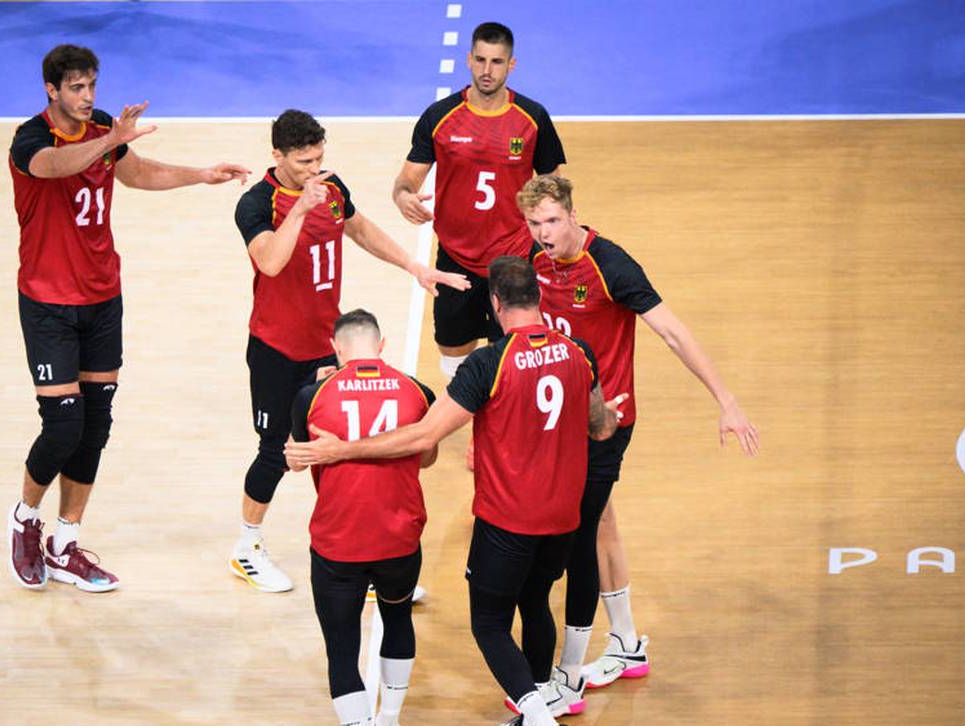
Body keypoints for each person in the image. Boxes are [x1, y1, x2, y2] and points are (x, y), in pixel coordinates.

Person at [288, 257, 625, 726]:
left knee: (488, 622)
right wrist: (610, 413)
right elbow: (600, 425)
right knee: (535, 603)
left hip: (508, 520)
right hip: (562, 519)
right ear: (539, 296)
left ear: (495, 302)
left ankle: (536, 714)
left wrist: (342, 449)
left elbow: (424, 437)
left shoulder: (488, 363)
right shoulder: (578, 351)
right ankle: (546, 696)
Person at [6, 44, 249, 592]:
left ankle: (65, 542)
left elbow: (135, 173)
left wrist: (201, 174)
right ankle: (25, 519)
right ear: (51, 90)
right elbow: (54, 168)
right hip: (47, 301)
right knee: (63, 425)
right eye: (76, 87)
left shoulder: (98, 128)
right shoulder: (31, 139)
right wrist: (111, 138)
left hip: (102, 297)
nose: (88, 96)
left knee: (95, 428)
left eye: (92, 85)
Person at [517, 174, 759, 702]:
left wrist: (727, 402)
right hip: (560, 423)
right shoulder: (534, 261)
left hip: (607, 423)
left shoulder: (611, 266)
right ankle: (625, 642)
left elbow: (672, 331)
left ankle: (569, 674)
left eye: (553, 222)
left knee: (578, 540)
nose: (544, 234)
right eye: (535, 224)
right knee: (601, 522)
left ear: (574, 216)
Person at [231, 109, 468, 593]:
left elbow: (359, 229)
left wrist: (412, 266)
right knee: (277, 452)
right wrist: (300, 206)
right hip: (276, 350)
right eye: (302, 161)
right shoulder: (257, 204)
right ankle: (247, 547)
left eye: (319, 157)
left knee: (341, 449)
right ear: (276, 155)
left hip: (328, 347)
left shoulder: (332, 188)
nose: (313, 168)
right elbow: (271, 262)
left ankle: (359, 556)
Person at [392, 21, 566, 390]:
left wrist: (553, 235)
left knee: (515, 354)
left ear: (511, 65)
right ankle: (475, 416)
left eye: (497, 62)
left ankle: (499, 428)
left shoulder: (532, 118)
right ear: (469, 59)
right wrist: (405, 197)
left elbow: (556, 186)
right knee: (453, 352)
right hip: (456, 258)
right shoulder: (440, 117)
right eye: (481, 60)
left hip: (515, 256)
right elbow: (406, 182)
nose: (487, 71)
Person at [288, 309, 437, 726]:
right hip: (400, 537)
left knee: (342, 646)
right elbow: (427, 455)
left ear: (336, 349)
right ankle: (389, 718)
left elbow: (296, 458)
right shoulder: (417, 391)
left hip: (339, 541)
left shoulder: (312, 396)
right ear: (382, 344)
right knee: (397, 617)